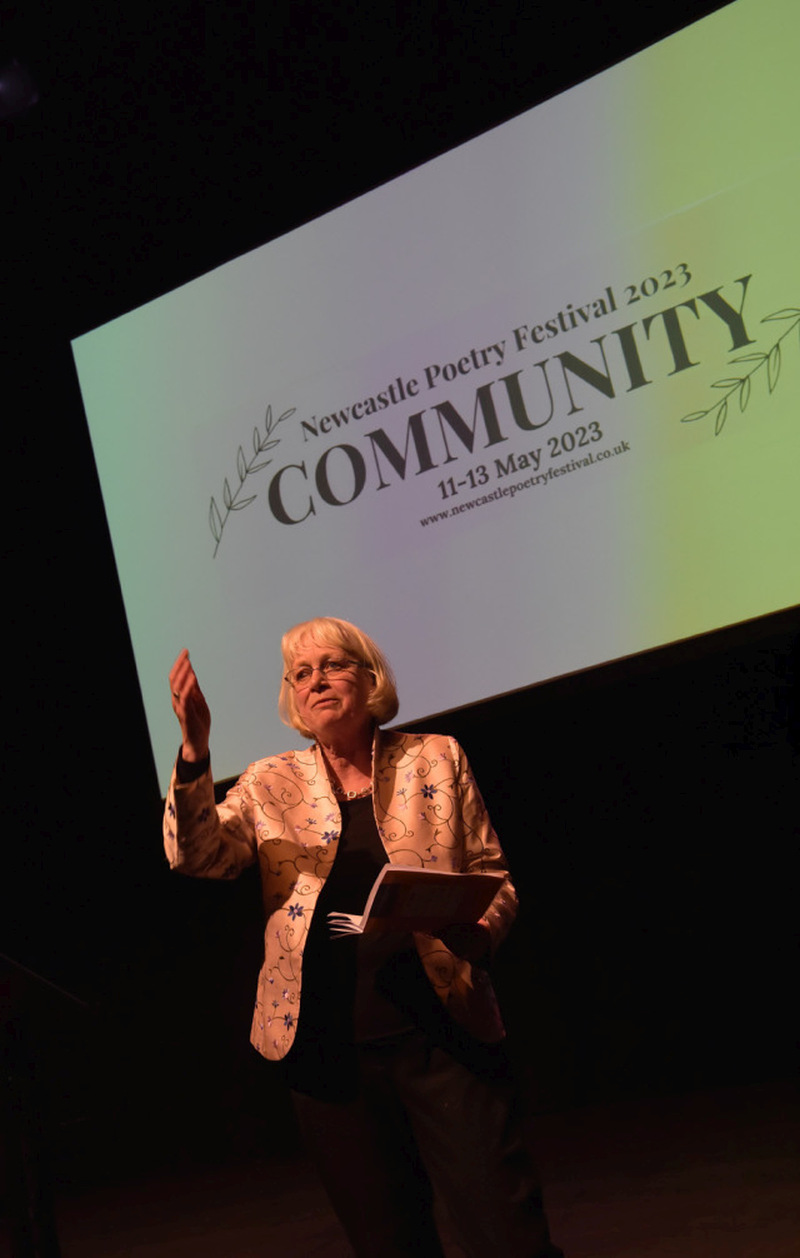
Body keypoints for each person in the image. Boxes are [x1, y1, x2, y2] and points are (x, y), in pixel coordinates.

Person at [164, 617, 563, 1258]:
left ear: (369, 678)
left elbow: (495, 877)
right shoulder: (268, 783)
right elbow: (198, 856)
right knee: (387, 1243)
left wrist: (478, 933)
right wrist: (195, 755)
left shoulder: (435, 756)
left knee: (506, 1232)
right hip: (327, 1054)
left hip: (444, 1035)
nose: (315, 681)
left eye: (333, 665)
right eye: (301, 673)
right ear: (292, 697)